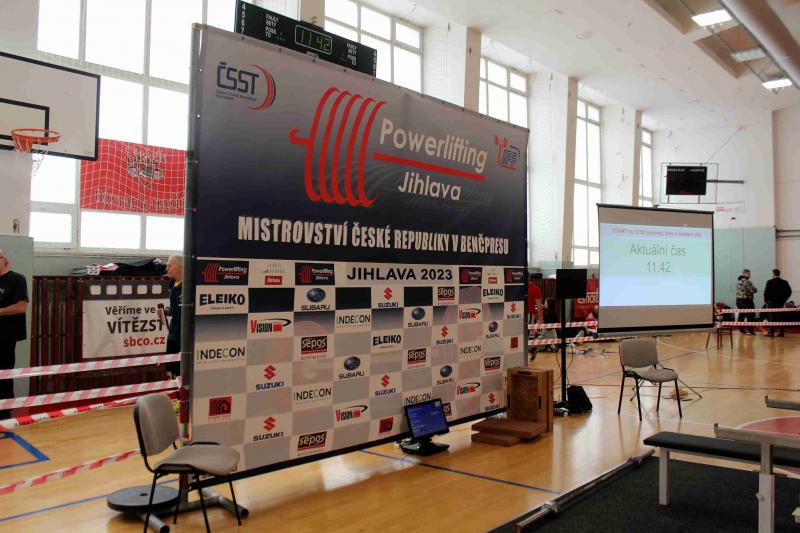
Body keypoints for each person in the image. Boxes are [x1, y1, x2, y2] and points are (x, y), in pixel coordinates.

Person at [0, 251, 29, 420]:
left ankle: (4, 412)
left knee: (4, 374)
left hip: (5, 336)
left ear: (4, 260)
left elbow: (21, 307)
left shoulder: (17, 279)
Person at [161, 255, 182, 376]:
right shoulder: (172, 284)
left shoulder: (190, 286)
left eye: (170, 266)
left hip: (184, 339)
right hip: (172, 336)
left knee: (181, 373)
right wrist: (166, 312)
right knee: (170, 372)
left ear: (181, 267)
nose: (166, 268)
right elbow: (175, 310)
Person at [764, 268, 792, 338]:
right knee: (780, 317)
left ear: (773, 274)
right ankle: (781, 332)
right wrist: (784, 300)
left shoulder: (769, 282)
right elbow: (789, 292)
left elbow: (766, 292)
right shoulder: (785, 282)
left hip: (771, 302)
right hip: (780, 303)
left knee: (772, 318)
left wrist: (766, 301)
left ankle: (771, 333)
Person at [735, 269, 757, 335]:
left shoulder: (738, 281)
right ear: (745, 274)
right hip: (747, 300)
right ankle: (750, 331)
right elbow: (753, 290)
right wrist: (755, 289)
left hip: (738, 300)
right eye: (749, 274)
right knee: (751, 315)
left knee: (741, 315)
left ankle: (741, 330)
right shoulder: (747, 281)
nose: (750, 275)